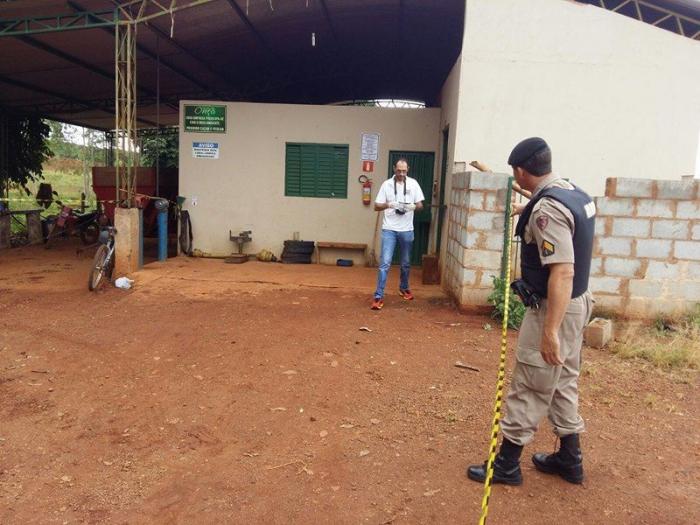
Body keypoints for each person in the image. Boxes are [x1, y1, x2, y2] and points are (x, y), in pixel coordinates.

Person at [467, 137, 595, 485]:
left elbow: (563, 269)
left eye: (515, 173)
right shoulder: (572, 192)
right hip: (578, 304)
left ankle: (506, 465)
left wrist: (549, 331)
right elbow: (560, 220)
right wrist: (529, 210)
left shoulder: (547, 210)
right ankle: (570, 459)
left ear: (521, 171)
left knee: (531, 383)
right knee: (563, 380)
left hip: (556, 309)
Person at [371, 158, 425, 310]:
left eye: (404, 171)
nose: (401, 174)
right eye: (399, 170)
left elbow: (421, 205)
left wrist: (413, 207)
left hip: (407, 229)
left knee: (406, 263)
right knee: (385, 263)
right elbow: (376, 206)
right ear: (394, 168)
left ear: (408, 170)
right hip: (389, 229)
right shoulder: (386, 184)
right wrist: (389, 204)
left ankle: (404, 287)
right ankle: (378, 296)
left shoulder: (413, 183)